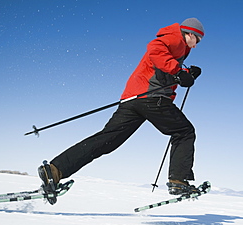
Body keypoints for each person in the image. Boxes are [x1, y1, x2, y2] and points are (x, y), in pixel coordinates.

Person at [38, 18, 205, 204]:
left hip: (134, 99)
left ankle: (54, 170)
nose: (197, 45)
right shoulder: (173, 38)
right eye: (197, 40)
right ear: (190, 33)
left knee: (107, 140)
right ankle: (178, 181)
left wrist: (186, 72)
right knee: (184, 132)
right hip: (151, 98)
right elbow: (155, 51)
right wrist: (178, 71)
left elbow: (162, 67)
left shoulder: (178, 47)